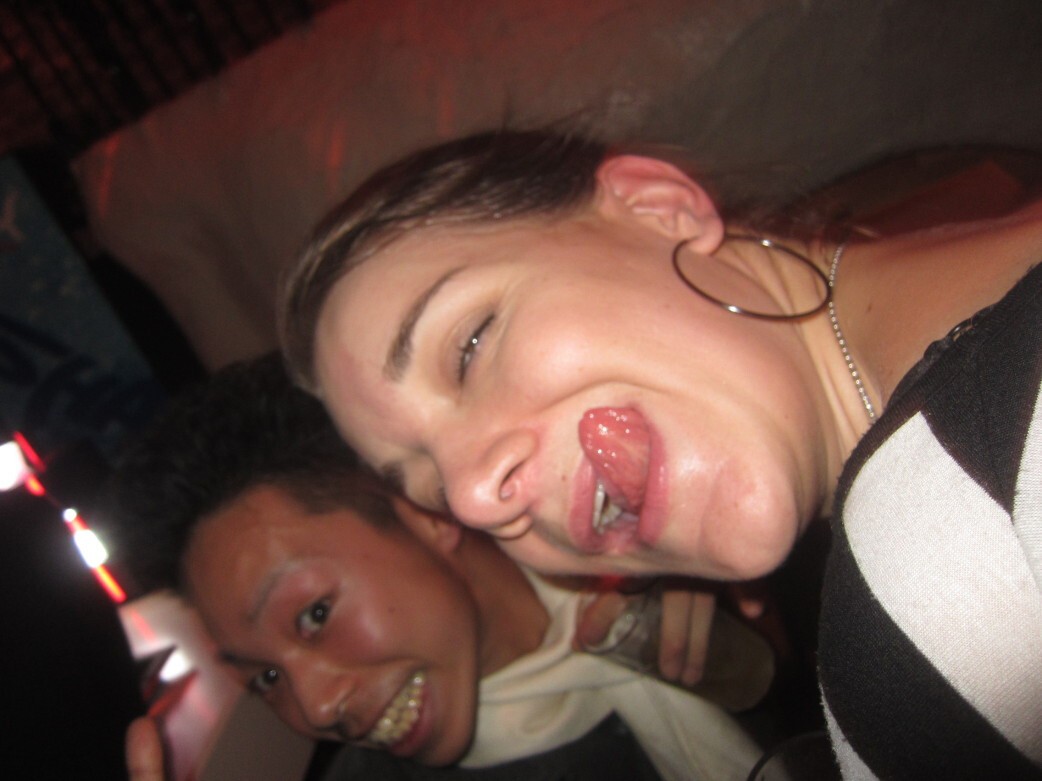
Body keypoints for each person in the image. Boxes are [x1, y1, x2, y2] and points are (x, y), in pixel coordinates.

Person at [278, 129, 1042, 779]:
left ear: (659, 207)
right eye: (433, 487)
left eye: (470, 345)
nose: (476, 496)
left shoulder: (922, 618)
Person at [107, 353, 762, 781]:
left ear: (427, 513)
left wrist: (739, 579)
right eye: (267, 677)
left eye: (315, 614)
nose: (319, 705)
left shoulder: (671, 562)